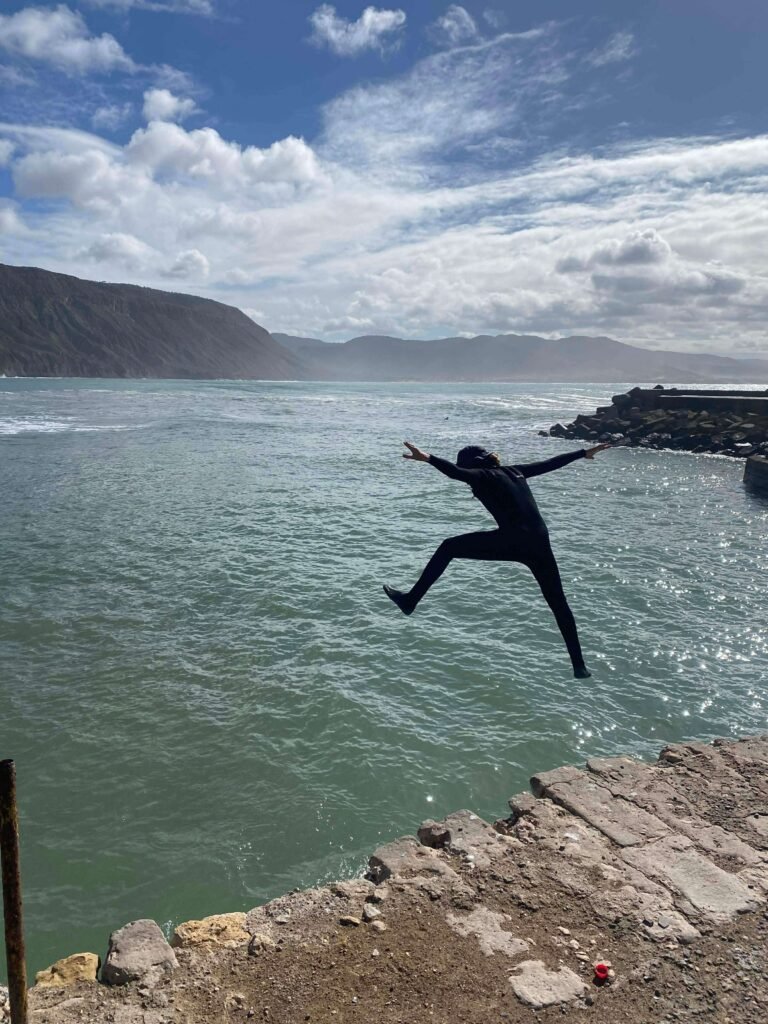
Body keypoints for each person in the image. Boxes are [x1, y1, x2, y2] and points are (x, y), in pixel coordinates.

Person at [383, 440, 611, 678]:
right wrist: (583, 452)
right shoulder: (515, 471)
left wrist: (429, 458)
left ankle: (410, 600)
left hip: (513, 540)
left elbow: (455, 472)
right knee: (558, 602)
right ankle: (579, 666)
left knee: (449, 547)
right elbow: (550, 463)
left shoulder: (482, 476)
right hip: (540, 542)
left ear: (474, 465)